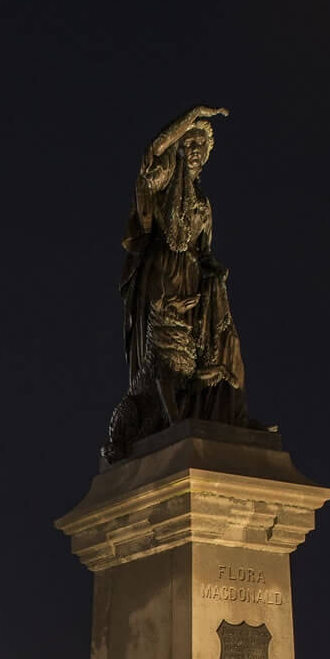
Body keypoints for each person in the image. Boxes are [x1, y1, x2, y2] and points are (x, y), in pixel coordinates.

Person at [104, 106, 248, 463]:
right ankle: (171, 413)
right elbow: (152, 156)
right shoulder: (167, 177)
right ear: (180, 145)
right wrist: (193, 115)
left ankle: (220, 407)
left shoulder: (203, 201)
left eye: (202, 142)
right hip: (162, 273)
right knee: (165, 350)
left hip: (193, 276)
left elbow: (205, 249)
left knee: (219, 336)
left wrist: (215, 273)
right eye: (191, 140)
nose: (196, 147)